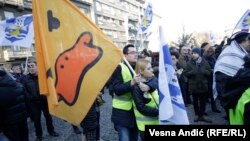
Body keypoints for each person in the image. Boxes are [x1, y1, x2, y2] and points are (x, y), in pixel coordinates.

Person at [214, 31, 250, 122]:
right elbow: (222, 86)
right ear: (241, 41)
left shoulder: (242, 54)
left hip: (240, 100)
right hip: (232, 99)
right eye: (248, 41)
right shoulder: (230, 54)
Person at [109, 44, 141, 141]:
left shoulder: (139, 68)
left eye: (136, 52)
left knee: (134, 139)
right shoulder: (119, 68)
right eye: (132, 52)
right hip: (122, 113)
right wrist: (132, 82)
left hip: (136, 112)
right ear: (125, 55)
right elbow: (115, 89)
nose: (136, 55)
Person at [22, 61, 59, 141]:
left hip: (44, 101)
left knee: (48, 118)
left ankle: (51, 131)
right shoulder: (25, 79)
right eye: (29, 67)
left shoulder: (43, 77)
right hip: (34, 103)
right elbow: (25, 91)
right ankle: (39, 135)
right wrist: (30, 98)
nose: (31, 68)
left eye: (32, 66)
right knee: (36, 120)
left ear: (37, 67)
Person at [132, 59, 158, 141]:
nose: (152, 70)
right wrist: (158, 112)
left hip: (156, 122)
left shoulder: (151, 80)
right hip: (145, 125)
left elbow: (156, 80)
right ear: (141, 71)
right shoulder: (136, 87)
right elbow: (141, 107)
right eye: (149, 68)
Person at [0, 66, 29, 141]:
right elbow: (27, 101)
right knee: (24, 136)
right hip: (22, 118)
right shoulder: (18, 85)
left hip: (9, 123)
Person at [184, 47, 212, 123]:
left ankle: (202, 115)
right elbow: (185, 73)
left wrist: (204, 71)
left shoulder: (204, 62)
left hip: (203, 85)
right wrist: (192, 72)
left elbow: (209, 72)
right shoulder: (189, 63)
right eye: (192, 53)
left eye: (195, 53)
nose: (193, 54)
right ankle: (197, 115)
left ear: (199, 54)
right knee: (195, 102)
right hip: (194, 86)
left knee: (203, 102)